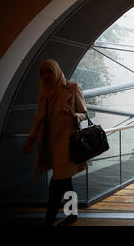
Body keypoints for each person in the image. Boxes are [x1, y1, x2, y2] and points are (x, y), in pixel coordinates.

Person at [23, 59, 88, 226]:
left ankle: (49, 220)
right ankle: (72, 214)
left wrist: (74, 115)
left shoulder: (72, 88)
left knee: (56, 183)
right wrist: (31, 139)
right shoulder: (44, 93)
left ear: (57, 71)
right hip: (49, 144)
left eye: (49, 71)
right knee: (65, 181)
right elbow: (39, 118)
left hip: (66, 146)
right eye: (42, 72)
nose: (45, 76)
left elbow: (84, 114)